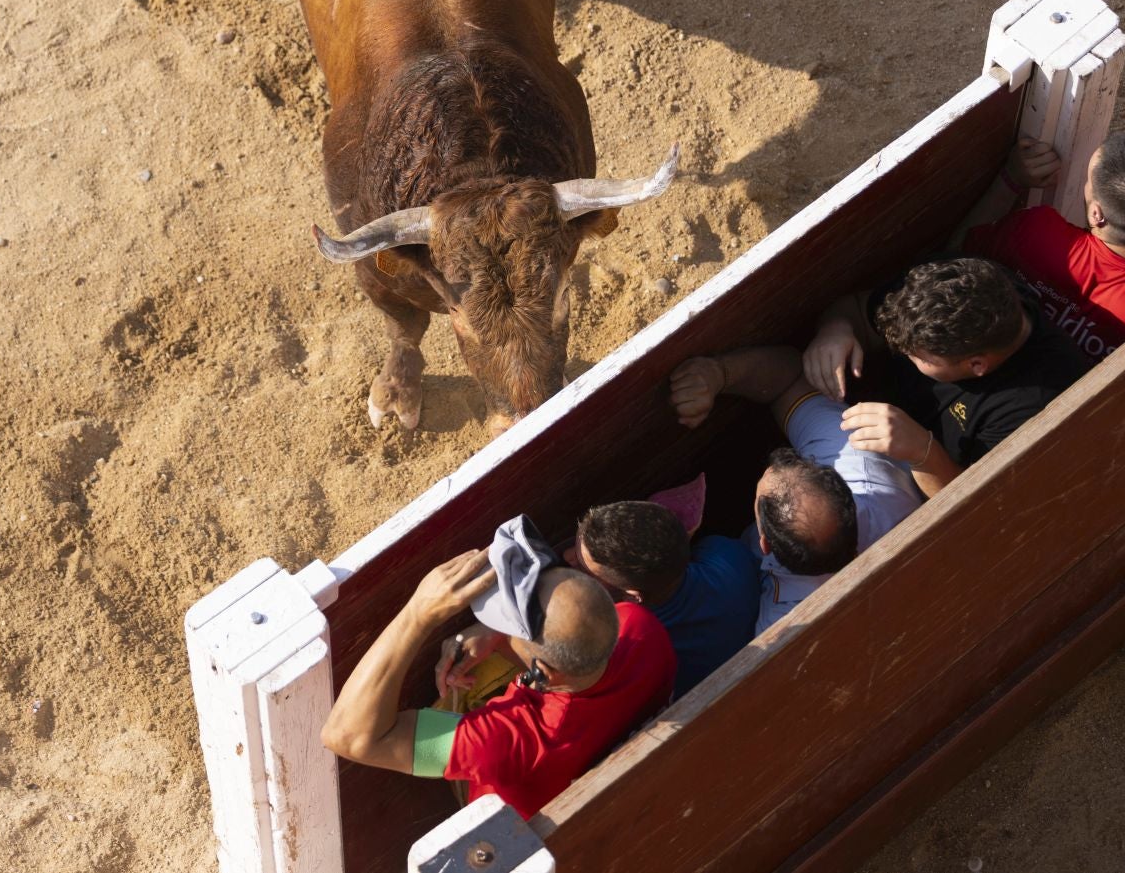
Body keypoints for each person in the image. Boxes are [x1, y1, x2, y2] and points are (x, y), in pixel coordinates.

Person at [320, 548, 674, 819]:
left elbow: (348, 736)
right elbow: (570, 652)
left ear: (544, 673)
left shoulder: (509, 742)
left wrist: (418, 615)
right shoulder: (641, 626)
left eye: (511, 626)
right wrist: (499, 635)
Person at [668, 347, 921, 629]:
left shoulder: (783, 624)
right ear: (839, 484)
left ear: (764, 542)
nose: (772, 466)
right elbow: (787, 381)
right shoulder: (858, 457)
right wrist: (719, 374)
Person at [801, 256, 1091, 495]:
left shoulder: (1034, 408)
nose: (900, 352)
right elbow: (855, 309)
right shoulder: (952, 285)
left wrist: (922, 452)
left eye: (917, 357)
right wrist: (836, 329)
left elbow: (979, 505)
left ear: (976, 365)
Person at [953, 132, 1125, 361]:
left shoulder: (1037, 230)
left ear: (1097, 214)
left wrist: (1010, 178)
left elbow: (957, 252)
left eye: (1088, 182)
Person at [575, 499, 760, 698]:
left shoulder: (637, 652)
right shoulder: (728, 557)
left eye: (585, 569)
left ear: (633, 596)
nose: (572, 560)